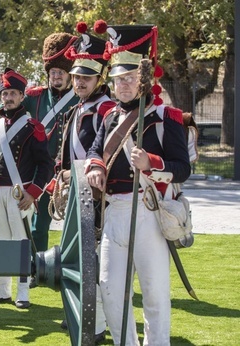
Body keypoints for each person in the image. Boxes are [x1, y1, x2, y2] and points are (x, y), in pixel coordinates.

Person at [85, 24, 191, 345]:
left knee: (155, 293)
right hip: (115, 211)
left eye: (130, 78)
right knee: (111, 290)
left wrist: (152, 164)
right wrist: (95, 166)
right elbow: (94, 150)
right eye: (118, 79)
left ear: (146, 79)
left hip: (147, 211)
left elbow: (182, 169)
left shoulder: (165, 117)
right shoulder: (108, 117)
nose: (124, 85)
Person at [52, 21, 116, 343]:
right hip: (77, 194)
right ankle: (86, 315)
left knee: (96, 265)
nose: (78, 82)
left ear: (100, 78)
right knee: (80, 260)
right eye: (76, 76)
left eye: (85, 77)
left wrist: (73, 173)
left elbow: (103, 154)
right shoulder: (78, 109)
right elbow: (67, 154)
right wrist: (60, 178)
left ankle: (99, 324)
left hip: (97, 198)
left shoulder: (106, 110)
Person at [0, 68, 54, 309]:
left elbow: (45, 165)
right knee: (1, 242)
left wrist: (34, 193)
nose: (8, 98)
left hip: (20, 194)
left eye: (13, 94)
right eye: (4, 93)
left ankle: (23, 291)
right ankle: (2, 288)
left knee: (20, 243)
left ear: (21, 96)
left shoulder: (32, 128)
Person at [22, 32, 80, 254]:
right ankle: (39, 265)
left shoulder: (80, 96)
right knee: (39, 224)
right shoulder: (35, 97)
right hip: (43, 171)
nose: (56, 76)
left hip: (69, 170)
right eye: (53, 72)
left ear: (69, 75)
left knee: (74, 223)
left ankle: (70, 263)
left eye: (61, 72)